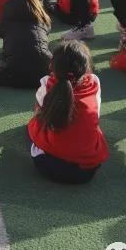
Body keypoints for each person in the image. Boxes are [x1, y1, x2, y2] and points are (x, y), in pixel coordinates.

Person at [27, 40, 108, 184]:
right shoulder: (94, 83)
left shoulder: (46, 83)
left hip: (48, 165)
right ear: (86, 67)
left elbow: (39, 114)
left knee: (34, 125)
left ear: (52, 66)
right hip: (87, 171)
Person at [0, 0, 52, 88]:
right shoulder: (42, 18)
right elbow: (47, 31)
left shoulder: (8, 14)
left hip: (13, 69)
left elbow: (0, 32)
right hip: (42, 69)